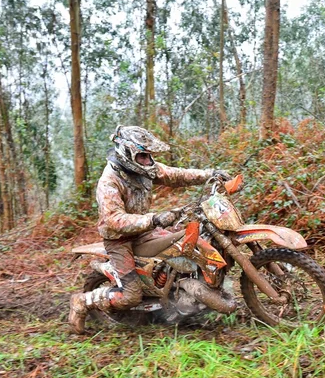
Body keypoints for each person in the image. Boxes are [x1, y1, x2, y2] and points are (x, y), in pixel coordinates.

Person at [68, 125, 230, 334]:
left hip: (144, 230)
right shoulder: (109, 181)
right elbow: (113, 220)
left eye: (149, 156)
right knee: (131, 296)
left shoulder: (143, 167)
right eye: (143, 155)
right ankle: (82, 301)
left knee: (182, 247)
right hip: (120, 240)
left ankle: (178, 294)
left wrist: (211, 174)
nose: (148, 160)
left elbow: (176, 175)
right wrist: (153, 219)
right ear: (127, 152)